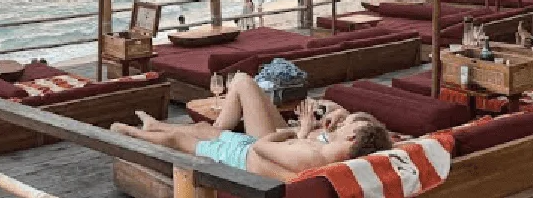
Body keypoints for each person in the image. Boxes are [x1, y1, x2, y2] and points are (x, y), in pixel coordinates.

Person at [112, 73, 393, 181]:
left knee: (186, 139)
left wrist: (301, 130)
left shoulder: (322, 155)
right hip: (260, 151)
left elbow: (272, 148)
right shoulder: (341, 148)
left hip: (253, 156)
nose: (343, 123)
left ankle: (136, 133)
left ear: (354, 135)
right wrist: (333, 116)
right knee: (205, 133)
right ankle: (152, 125)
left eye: (347, 123)